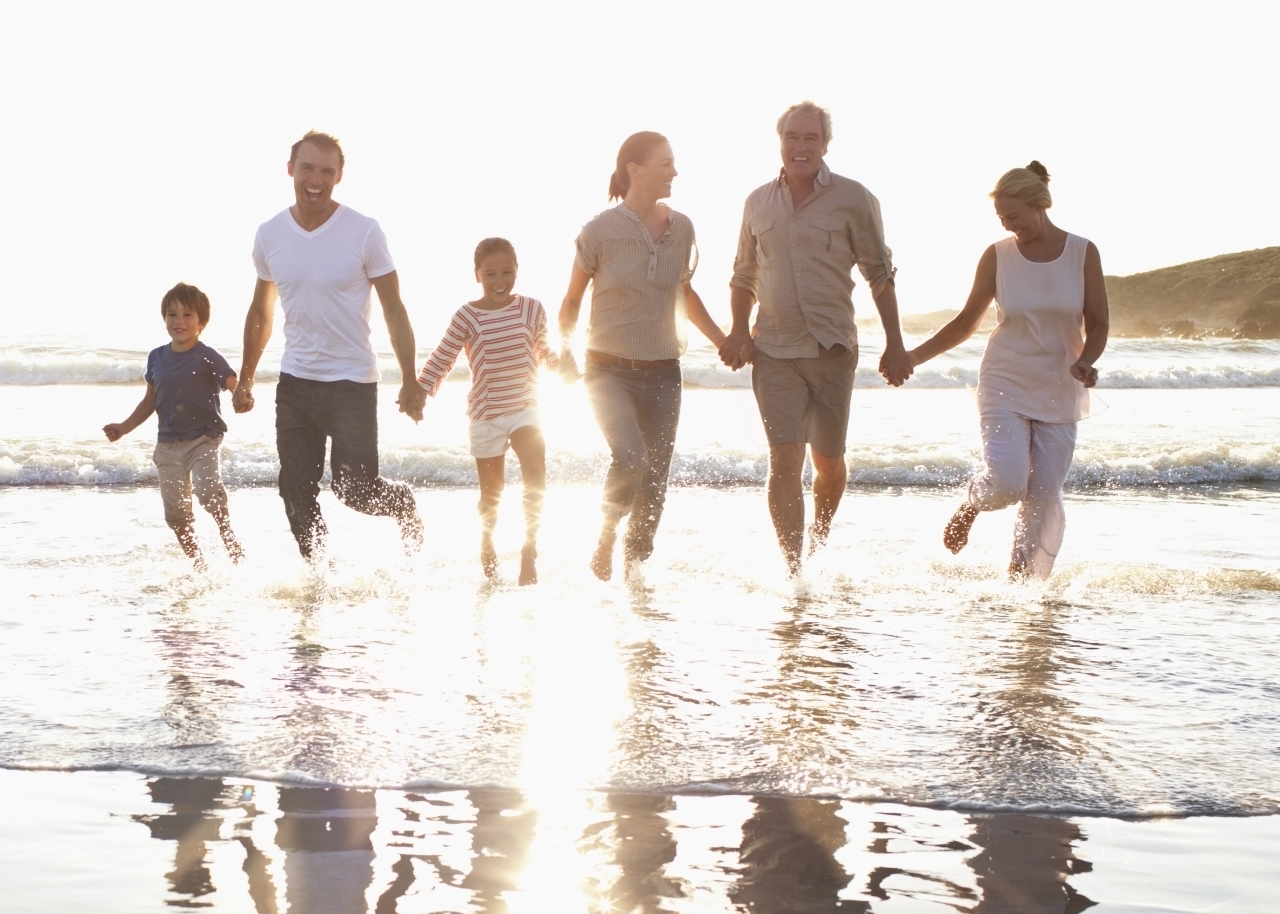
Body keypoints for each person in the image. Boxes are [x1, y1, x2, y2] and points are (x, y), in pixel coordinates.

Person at [723, 101, 913, 576]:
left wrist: (895, 343)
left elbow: (879, 275)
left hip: (832, 351)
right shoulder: (756, 202)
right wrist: (737, 331)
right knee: (784, 458)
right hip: (774, 351)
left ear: (825, 145)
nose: (800, 146)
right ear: (780, 141)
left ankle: (819, 540)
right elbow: (743, 275)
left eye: (810, 138)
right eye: (792, 137)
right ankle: (794, 573)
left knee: (827, 463)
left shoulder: (854, 199)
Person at [908, 161, 1109, 579]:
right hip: (1004, 381)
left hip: (1059, 386)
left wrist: (1087, 360)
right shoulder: (997, 256)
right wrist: (913, 357)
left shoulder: (1082, 252)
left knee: (1043, 495)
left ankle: (1021, 580)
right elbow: (966, 323)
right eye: (1001, 218)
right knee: (1007, 481)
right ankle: (971, 504)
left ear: (1040, 205)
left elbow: (1099, 321)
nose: (1008, 225)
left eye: (1014, 216)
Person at [232, 131, 427, 561]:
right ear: (291, 170)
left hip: (352, 384)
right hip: (296, 382)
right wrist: (245, 379)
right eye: (307, 167)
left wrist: (411, 380)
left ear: (339, 176)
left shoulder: (364, 232)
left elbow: (394, 308)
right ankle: (322, 576)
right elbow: (261, 311)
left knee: (354, 490)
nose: (315, 179)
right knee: (294, 488)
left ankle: (404, 505)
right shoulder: (270, 234)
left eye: (326, 170)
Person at [559, 131, 728, 581]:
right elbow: (572, 300)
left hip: (663, 372)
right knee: (631, 459)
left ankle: (635, 573)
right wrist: (562, 350)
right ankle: (606, 533)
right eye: (666, 163)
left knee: (655, 479)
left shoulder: (683, 228)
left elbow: (685, 293)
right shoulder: (599, 230)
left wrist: (723, 340)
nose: (674, 171)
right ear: (635, 170)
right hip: (606, 370)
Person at [418, 237, 565, 586]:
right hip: (486, 415)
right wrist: (419, 390)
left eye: (507, 272)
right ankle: (487, 541)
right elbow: (443, 355)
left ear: (517, 271)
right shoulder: (467, 316)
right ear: (477, 275)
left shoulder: (531, 309)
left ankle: (529, 550)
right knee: (491, 496)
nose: (500, 281)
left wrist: (565, 369)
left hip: (526, 408)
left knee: (535, 478)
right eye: (491, 274)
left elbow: (544, 351)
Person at [103, 283, 243, 568]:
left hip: (204, 438)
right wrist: (123, 427)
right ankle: (199, 564)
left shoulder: (207, 356)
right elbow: (149, 402)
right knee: (177, 514)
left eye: (187, 314)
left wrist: (242, 395)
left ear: (202, 322)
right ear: (164, 319)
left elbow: (232, 383)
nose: (179, 321)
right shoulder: (157, 357)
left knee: (207, 490)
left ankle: (227, 534)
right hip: (168, 446)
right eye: (172, 314)